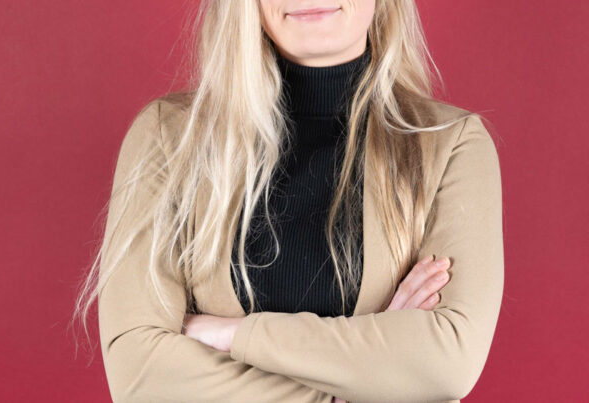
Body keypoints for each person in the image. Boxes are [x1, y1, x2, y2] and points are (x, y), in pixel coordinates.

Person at [73, 1, 504, 402]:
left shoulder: (450, 145)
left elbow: (448, 360)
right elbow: (140, 376)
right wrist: (366, 384)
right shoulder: (170, 138)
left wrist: (235, 335)